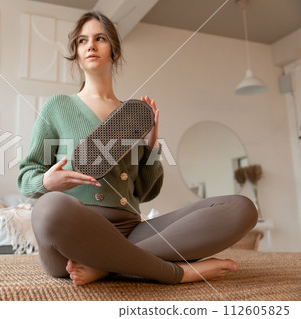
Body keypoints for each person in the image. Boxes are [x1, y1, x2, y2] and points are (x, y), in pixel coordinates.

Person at [17, 11, 257, 286]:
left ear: (114, 51)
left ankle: (108, 266)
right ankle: (176, 273)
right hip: (76, 234)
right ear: (76, 53)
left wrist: (151, 146)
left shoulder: (131, 116)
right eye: (82, 41)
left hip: (131, 231)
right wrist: (48, 181)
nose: (91, 45)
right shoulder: (58, 107)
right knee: (48, 208)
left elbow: (146, 192)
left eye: (100, 38)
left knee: (242, 208)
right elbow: (26, 177)